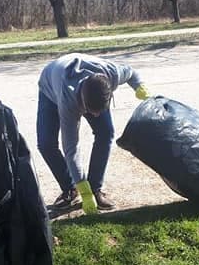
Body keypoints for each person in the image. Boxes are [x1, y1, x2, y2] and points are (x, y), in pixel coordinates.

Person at [36, 53, 149, 213]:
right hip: (51, 86)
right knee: (46, 144)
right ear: (83, 103)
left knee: (106, 133)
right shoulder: (68, 102)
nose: (96, 116)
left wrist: (139, 87)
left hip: (90, 86)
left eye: (100, 110)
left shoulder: (111, 74)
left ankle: (96, 188)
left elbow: (131, 73)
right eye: (91, 111)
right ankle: (71, 189)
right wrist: (83, 190)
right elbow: (71, 148)